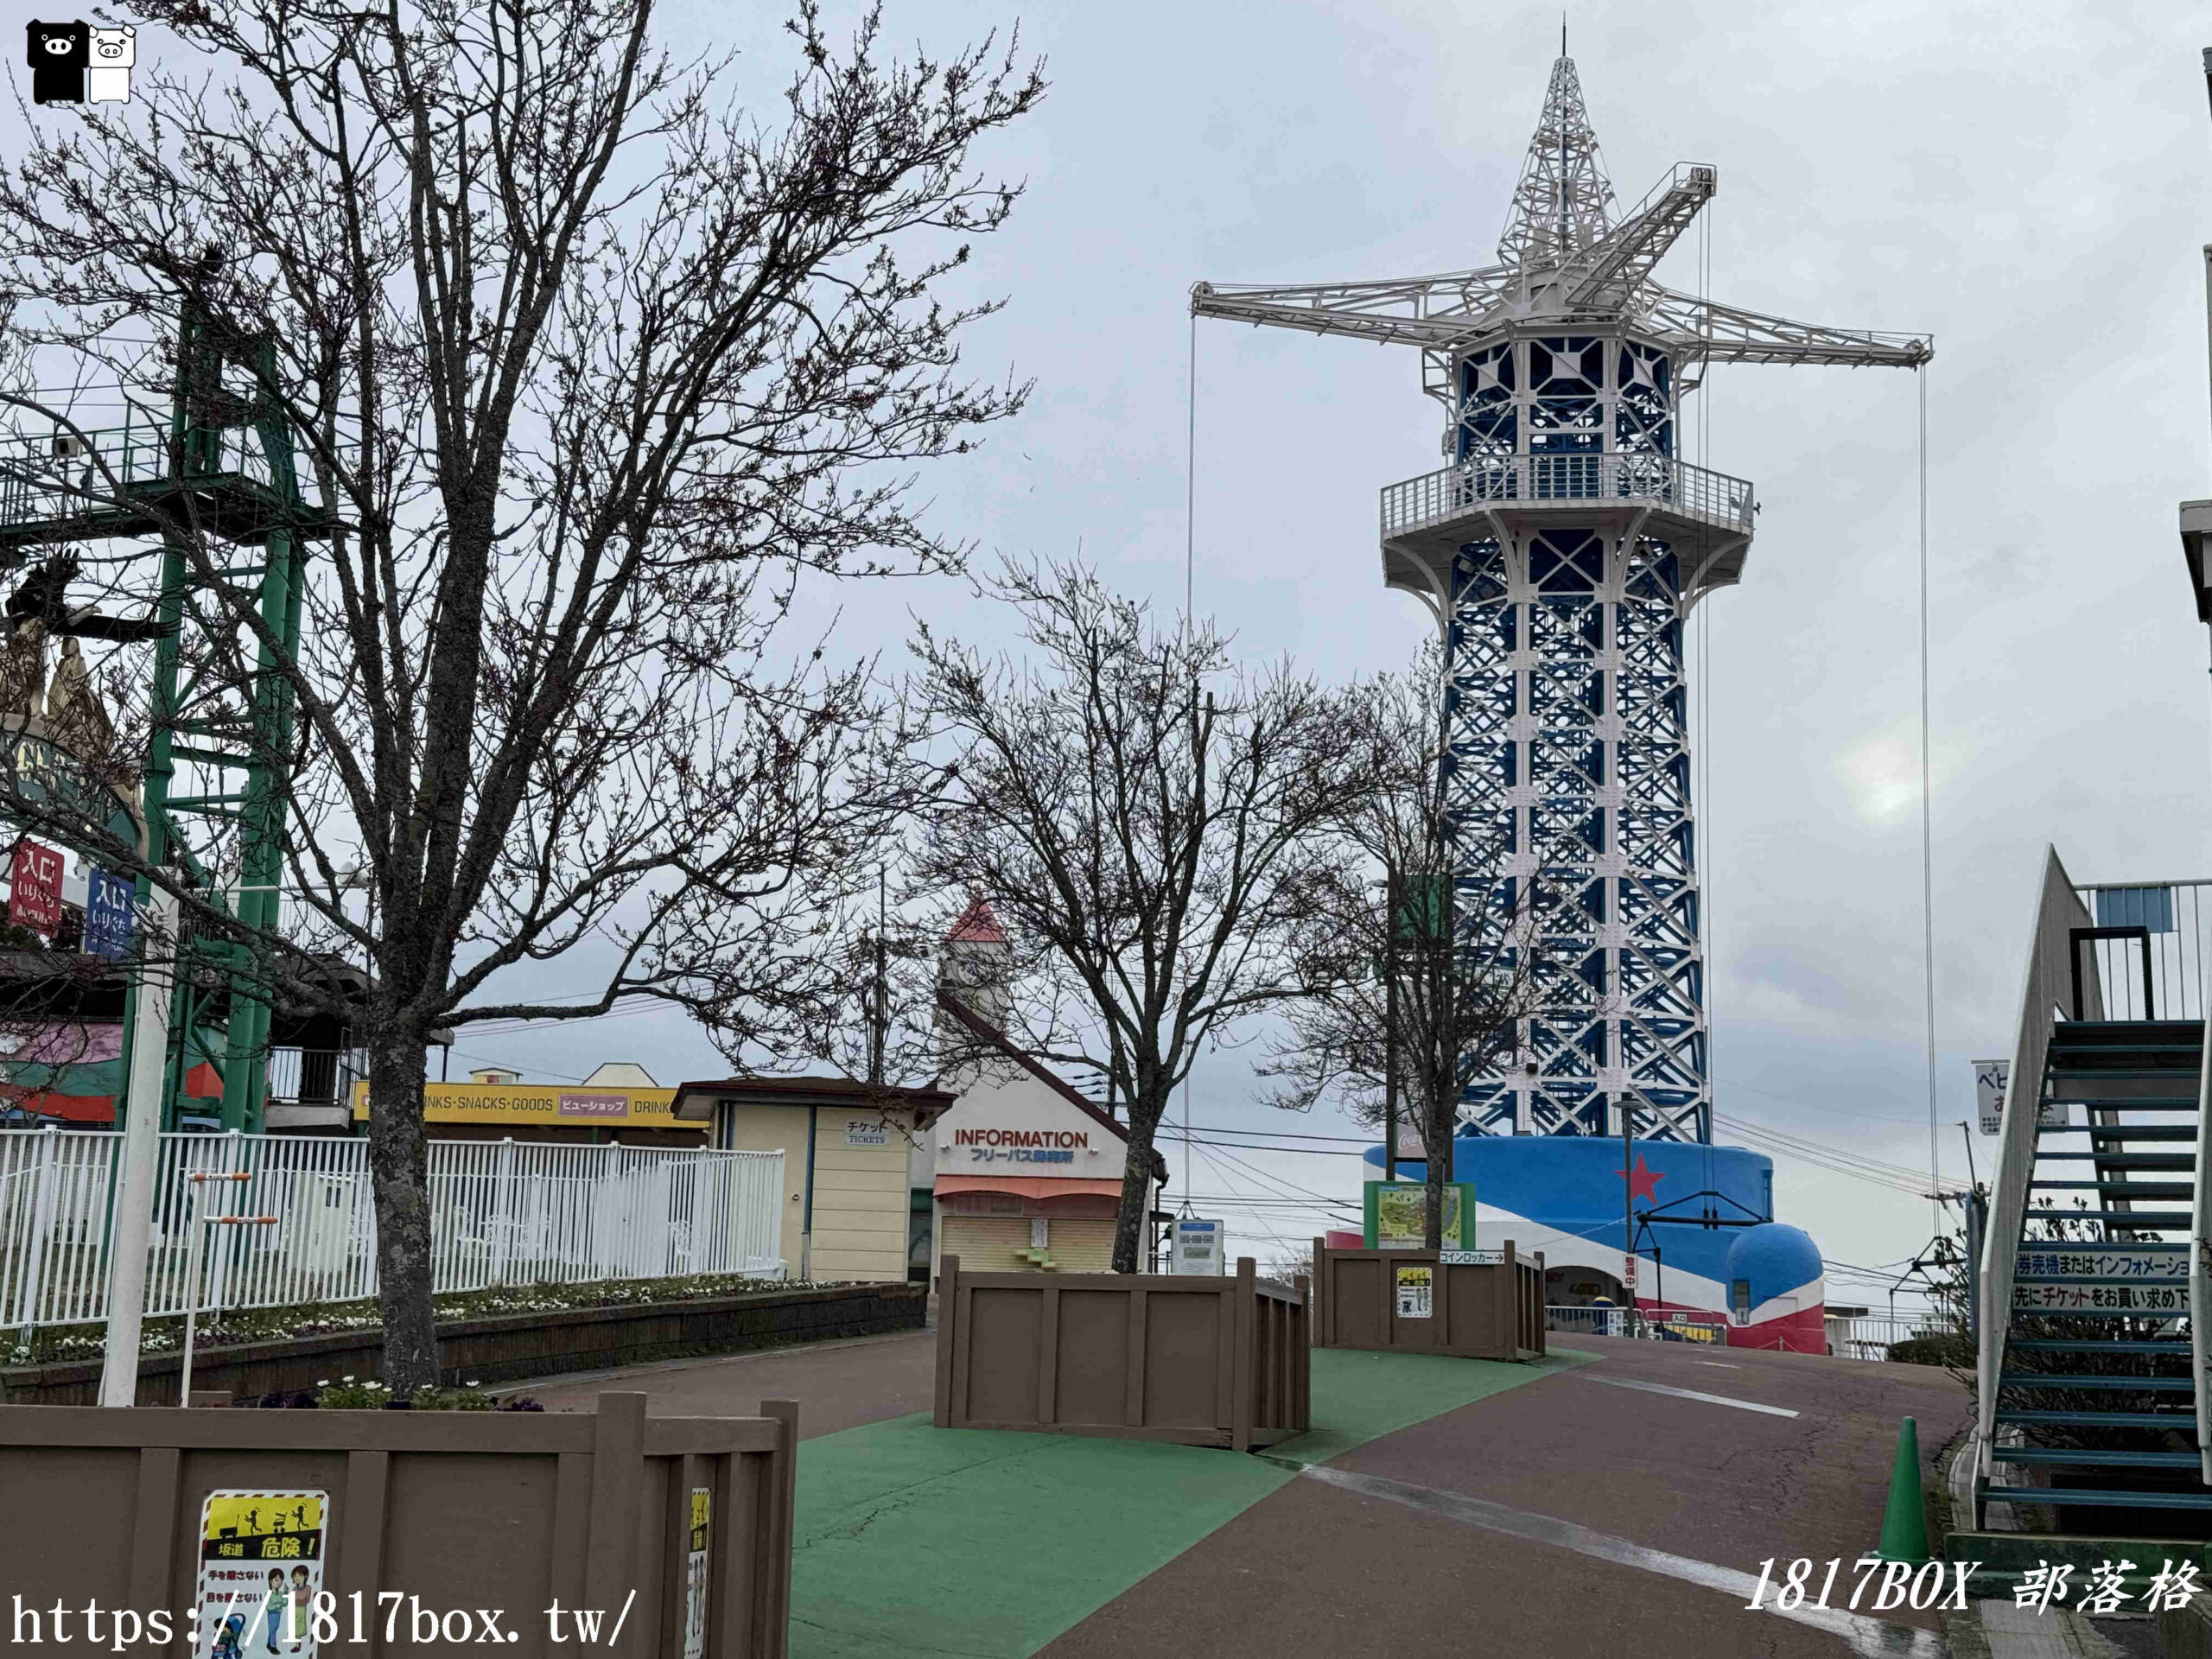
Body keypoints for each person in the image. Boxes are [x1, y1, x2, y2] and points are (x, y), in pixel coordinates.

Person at [288, 1565, 312, 1651]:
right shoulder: (294, 1589)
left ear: (305, 1576)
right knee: (294, 1627)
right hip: (294, 1609)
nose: (297, 1578)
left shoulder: (307, 1588)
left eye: (300, 1576)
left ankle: (297, 1645)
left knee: (299, 1627)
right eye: (295, 1576)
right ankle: (297, 1644)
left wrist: (297, 1599)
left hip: (301, 1609)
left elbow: (306, 1599)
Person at [261, 1570, 286, 1654]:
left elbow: (285, 1603)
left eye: (280, 1580)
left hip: (278, 1614)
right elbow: (269, 1607)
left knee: (275, 1629)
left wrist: (286, 1593)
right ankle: (273, 1647)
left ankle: (269, 1643)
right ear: (270, 1581)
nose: (279, 1582)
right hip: (272, 1614)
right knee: (272, 1630)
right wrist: (279, 1605)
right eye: (276, 1580)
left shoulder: (281, 1593)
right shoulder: (268, 1594)